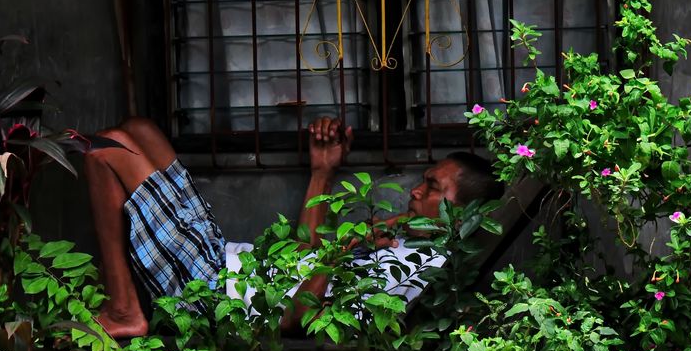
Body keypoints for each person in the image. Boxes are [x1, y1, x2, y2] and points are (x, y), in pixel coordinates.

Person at [84, 116, 502, 339]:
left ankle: (123, 308)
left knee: (102, 150)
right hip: (225, 261)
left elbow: (297, 318)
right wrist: (323, 171)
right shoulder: (405, 238)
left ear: (463, 216)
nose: (415, 192)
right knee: (139, 129)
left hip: (214, 293)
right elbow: (306, 258)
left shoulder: (413, 270)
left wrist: (346, 247)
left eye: (431, 188)